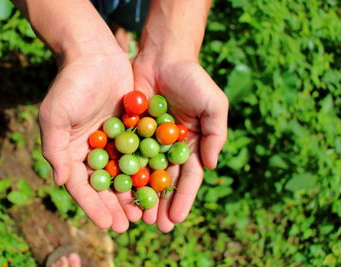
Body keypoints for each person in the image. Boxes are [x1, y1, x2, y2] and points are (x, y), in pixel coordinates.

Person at [12, 1, 228, 264]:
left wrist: (174, 43)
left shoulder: (147, 139)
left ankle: (114, 35)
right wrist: (83, 47)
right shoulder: (140, 142)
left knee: (125, 16)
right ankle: (106, 38)